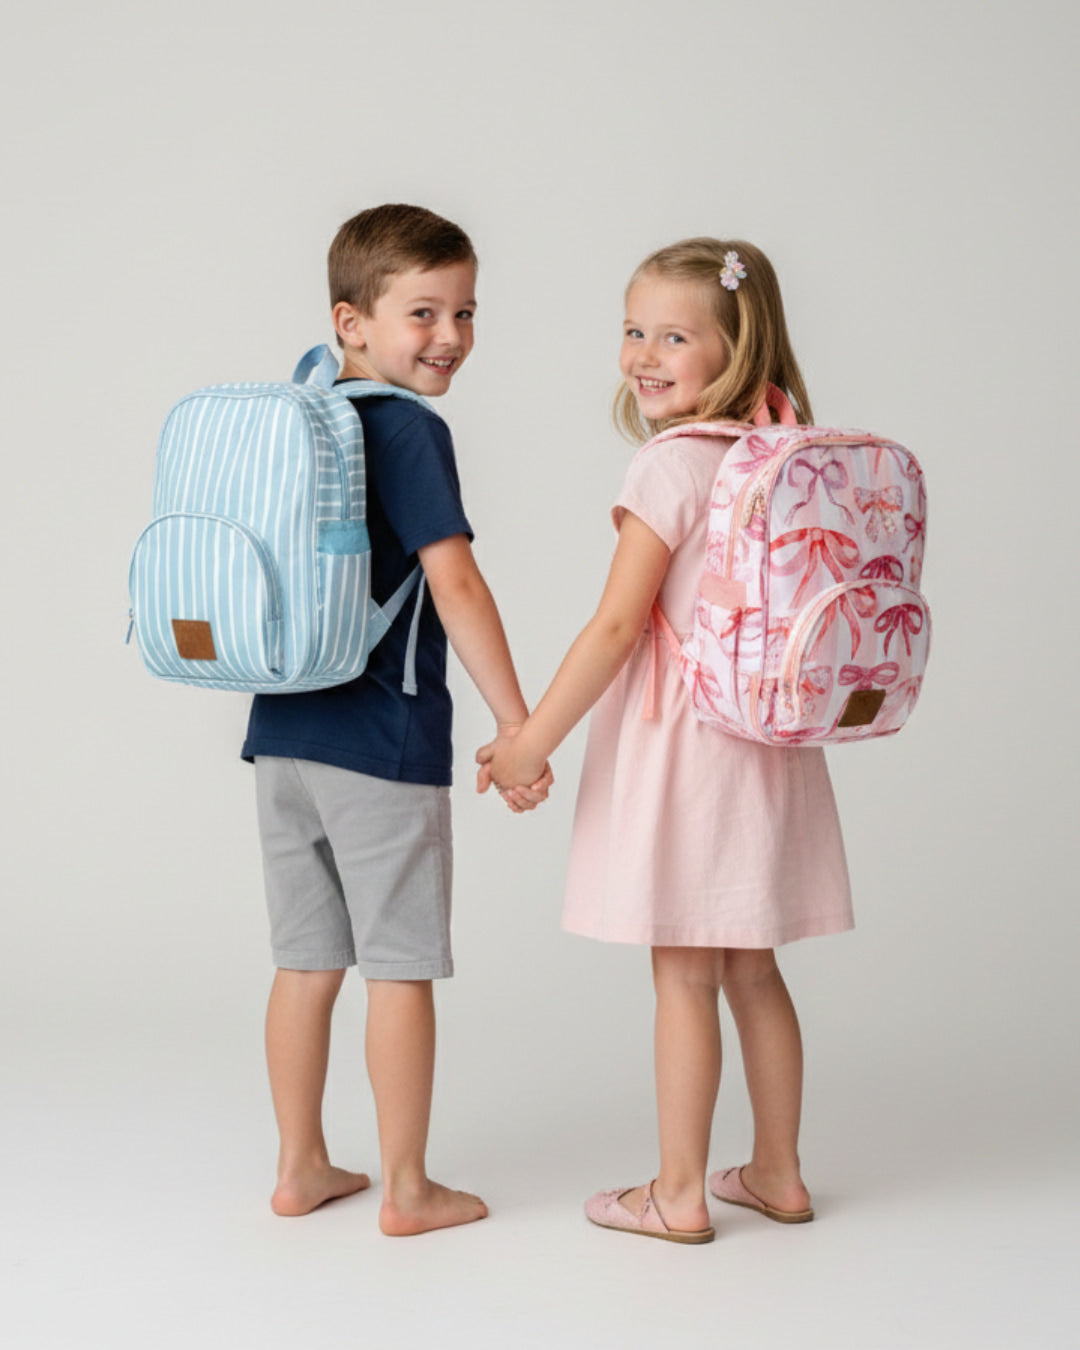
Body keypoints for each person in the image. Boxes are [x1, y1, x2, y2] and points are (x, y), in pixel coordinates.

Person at [479, 237, 852, 1244]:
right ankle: (776, 1170)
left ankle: (678, 1191)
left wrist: (527, 745)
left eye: (674, 335)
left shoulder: (671, 466)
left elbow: (614, 627)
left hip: (690, 749)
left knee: (683, 973)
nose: (644, 353)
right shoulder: (773, 456)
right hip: (765, 742)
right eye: (632, 329)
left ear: (736, 346)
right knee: (753, 967)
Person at [242, 204, 550, 1236]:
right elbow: (455, 583)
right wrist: (521, 726)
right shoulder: (409, 428)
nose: (451, 335)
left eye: (465, 311)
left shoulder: (304, 411)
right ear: (351, 319)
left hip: (281, 732)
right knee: (400, 966)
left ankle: (300, 1169)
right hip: (383, 739)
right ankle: (409, 1188)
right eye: (423, 311)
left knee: (303, 962)